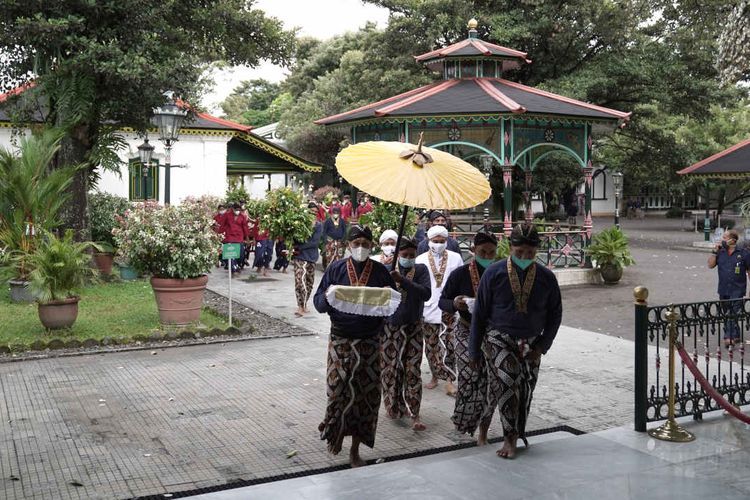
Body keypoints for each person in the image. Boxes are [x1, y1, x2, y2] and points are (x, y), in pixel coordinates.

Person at [469, 223, 562, 459]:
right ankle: (509, 438)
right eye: (519, 253)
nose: (524, 257)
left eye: (530, 254)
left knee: (525, 390)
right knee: (508, 383)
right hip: (499, 339)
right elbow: (479, 313)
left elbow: (555, 314)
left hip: (532, 341)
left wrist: (542, 346)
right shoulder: (494, 273)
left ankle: (518, 431)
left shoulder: (547, 278)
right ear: (510, 248)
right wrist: (474, 351)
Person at [313, 225, 397, 467]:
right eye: (356, 243)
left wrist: (389, 294)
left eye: (365, 243)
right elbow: (318, 304)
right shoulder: (335, 269)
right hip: (341, 341)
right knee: (337, 389)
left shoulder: (381, 272)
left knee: (366, 397)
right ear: (348, 245)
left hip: (370, 342)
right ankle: (335, 430)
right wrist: (330, 295)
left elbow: (394, 308)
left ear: (372, 246)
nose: (361, 247)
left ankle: (355, 451)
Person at [439, 230, 498, 439]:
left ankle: (483, 429)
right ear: (473, 250)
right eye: (483, 252)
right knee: (469, 376)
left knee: (490, 381)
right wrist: (455, 303)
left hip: (492, 334)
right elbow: (443, 301)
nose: (488, 257)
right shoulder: (460, 274)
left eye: (492, 253)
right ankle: (461, 424)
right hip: (466, 330)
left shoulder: (500, 273)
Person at [381, 237, 431, 430]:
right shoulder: (386, 270)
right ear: (397, 255)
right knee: (391, 370)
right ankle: (393, 406)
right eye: (404, 255)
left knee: (412, 371)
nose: (408, 258)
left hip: (414, 327)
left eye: (412, 255)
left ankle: (415, 413)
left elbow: (425, 293)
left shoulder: (420, 270)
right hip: (390, 328)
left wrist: (402, 280)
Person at [415, 224, 464, 395]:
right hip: (427, 309)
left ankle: (450, 380)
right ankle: (435, 376)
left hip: (448, 308)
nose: (438, 244)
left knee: (449, 345)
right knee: (431, 346)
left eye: (442, 241)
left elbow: (460, 280)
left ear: (447, 240)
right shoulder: (420, 259)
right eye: (435, 241)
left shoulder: (456, 257)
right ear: (429, 241)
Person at [708, 229, 750, 347]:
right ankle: (735, 334)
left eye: (725, 237)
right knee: (726, 313)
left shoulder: (744, 253)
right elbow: (710, 265)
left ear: (733, 240)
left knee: (732, 312)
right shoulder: (720, 252)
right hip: (723, 289)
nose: (722, 240)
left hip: (737, 289)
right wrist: (714, 251)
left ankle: (729, 337)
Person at [292, 202, 324, 317]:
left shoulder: (319, 225)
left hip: (311, 256)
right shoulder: (300, 224)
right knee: (299, 281)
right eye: (311, 211)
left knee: (309, 283)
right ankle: (300, 306)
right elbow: (294, 238)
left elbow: (314, 242)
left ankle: (304, 304)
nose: (313, 214)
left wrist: (299, 247)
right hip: (299, 257)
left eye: (316, 212)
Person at [222, 202, 250, 273]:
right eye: (236, 209)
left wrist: (247, 238)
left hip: (239, 237)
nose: (237, 211)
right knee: (231, 254)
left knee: (241, 254)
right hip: (230, 237)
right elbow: (222, 225)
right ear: (233, 209)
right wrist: (220, 235)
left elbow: (245, 228)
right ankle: (233, 269)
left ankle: (237, 265)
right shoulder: (227, 215)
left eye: (239, 209)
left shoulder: (242, 216)